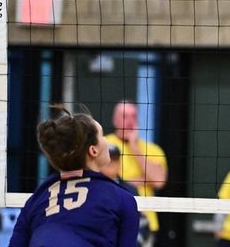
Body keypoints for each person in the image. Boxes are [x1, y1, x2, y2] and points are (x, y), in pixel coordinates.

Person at [9, 105, 139, 247]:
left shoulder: (36, 199)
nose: (107, 141)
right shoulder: (122, 199)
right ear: (93, 150)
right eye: (102, 135)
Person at [106, 100, 167, 243]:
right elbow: (102, 178)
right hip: (111, 216)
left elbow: (158, 181)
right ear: (115, 120)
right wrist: (142, 180)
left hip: (144, 222)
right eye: (125, 116)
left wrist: (135, 148)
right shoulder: (104, 143)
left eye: (133, 116)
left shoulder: (152, 149)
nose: (129, 121)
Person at [100, 144, 152, 247]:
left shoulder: (130, 190)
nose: (111, 163)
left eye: (114, 160)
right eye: (108, 159)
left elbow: (143, 223)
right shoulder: (91, 187)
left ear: (119, 163)